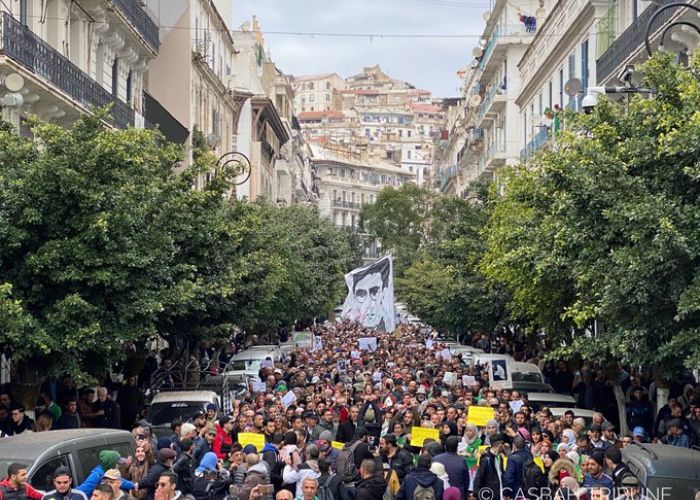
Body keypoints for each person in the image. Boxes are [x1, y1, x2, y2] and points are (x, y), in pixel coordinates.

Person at [473, 433, 505, 500]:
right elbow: (478, 478)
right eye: (503, 445)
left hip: (499, 493)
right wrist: (477, 494)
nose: (503, 447)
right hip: (489, 495)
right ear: (499, 445)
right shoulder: (486, 459)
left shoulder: (500, 457)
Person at [502, 436, 531, 500]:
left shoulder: (512, 458)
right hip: (528, 490)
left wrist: (506, 493)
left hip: (516, 492)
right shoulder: (530, 455)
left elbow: (508, 478)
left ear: (514, 445)